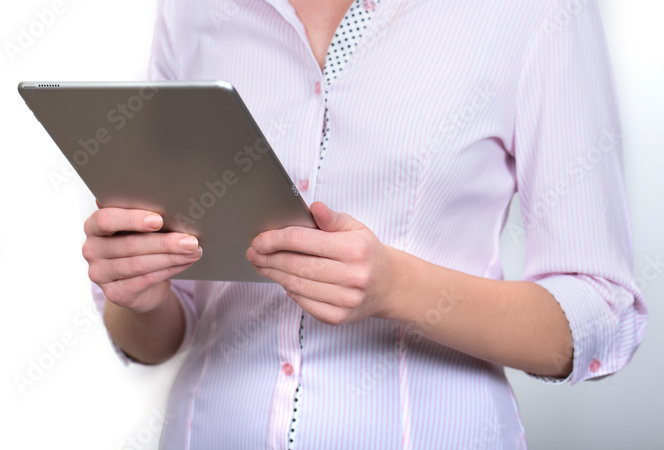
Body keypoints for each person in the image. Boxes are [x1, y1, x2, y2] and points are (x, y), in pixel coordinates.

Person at [82, 0, 648, 447]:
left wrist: (396, 287)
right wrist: (139, 295)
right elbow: (161, 331)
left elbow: (602, 311)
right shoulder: (193, 9)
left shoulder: (534, 11)